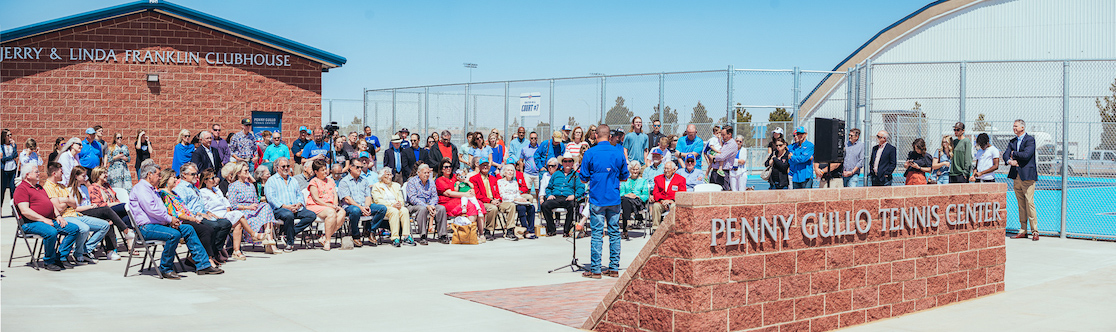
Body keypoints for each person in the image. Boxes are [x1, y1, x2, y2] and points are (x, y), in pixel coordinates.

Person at [129, 160, 222, 279]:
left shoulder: (152, 189)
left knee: (188, 229)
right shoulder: (141, 189)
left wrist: (171, 220)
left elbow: (161, 209)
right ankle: (165, 268)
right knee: (173, 234)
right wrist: (169, 219)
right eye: (158, 175)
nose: (160, 178)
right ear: (149, 175)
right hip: (146, 228)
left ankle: (203, 265)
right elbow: (152, 210)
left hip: (159, 225)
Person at [578, 124, 629, 279]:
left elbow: (583, 177)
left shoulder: (590, 153)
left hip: (597, 199)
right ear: (610, 136)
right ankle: (614, 268)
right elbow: (625, 176)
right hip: (613, 198)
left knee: (597, 234)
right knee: (614, 233)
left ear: (595, 136)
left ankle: (595, 269)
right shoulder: (618, 152)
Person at [14, 165, 83, 271]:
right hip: (30, 223)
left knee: (73, 229)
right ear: (27, 175)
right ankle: (49, 261)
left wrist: (59, 216)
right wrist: (43, 219)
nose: (39, 174)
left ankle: (61, 257)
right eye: (36, 172)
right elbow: (25, 211)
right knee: (51, 232)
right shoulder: (21, 189)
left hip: (49, 219)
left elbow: (50, 204)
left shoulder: (39, 187)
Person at [163, 166, 233, 267]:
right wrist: (197, 215)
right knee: (212, 227)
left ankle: (212, 252)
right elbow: (182, 209)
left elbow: (200, 205)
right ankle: (207, 257)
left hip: (201, 214)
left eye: (196, 174)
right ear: (184, 175)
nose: (196, 176)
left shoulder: (194, 188)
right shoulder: (181, 189)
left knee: (225, 223)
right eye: (193, 174)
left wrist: (208, 212)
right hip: (190, 217)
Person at [43, 162, 110, 264]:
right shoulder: (48, 187)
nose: (63, 174)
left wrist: (63, 200)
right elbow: (59, 208)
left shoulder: (61, 186)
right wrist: (67, 200)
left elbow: (74, 204)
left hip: (76, 214)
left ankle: (85, 250)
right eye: (61, 172)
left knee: (104, 225)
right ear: (54, 173)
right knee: (84, 228)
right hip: (65, 217)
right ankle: (78, 253)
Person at [66, 167, 127, 261]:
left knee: (108, 221)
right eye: (83, 176)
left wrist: (91, 206)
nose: (86, 177)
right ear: (76, 176)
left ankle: (108, 251)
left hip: (89, 211)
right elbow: (75, 208)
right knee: (106, 210)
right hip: (79, 213)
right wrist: (90, 206)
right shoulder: (70, 190)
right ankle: (126, 230)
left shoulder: (84, 188)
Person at [263, 157, 317, 252]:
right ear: (276, 168)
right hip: (279, 209)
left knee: (311, 215)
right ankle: (290, 243)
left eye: (288, 166)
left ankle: (289, 234)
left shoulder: (293, 180)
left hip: (295, 208)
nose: (286, 168)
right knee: (288, 215)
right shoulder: (271, 181)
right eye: (283, 166)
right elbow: (271, 198)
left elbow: (299, 194)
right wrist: (285, 206)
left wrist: (299, 204)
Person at [338, 158, 388, 247]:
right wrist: (361, 208)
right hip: (351, 207)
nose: (360, 169)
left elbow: (368, 196)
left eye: (361, 167)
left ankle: (371, 232)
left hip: (363, 206)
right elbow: (347, 199)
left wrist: (367, 206)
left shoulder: (364, 181)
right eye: (357, 167)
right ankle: (355, 235)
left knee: (382, 208)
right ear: (350, 167)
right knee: (355, 210)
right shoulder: (344, 181)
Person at [1003, 119, 1038, 241]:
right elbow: (1005, 155)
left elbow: (1026, 155)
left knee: (1029, 203)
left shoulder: (1030, 140)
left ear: (1022, 127)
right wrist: (1010, 161)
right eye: (1013, 126)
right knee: (1021, 205)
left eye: (1016, 126)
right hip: (1016, 176)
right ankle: (1023, 230)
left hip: (1027, 176)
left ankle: (1035, 231)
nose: (1014, 128)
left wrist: (1014, 153)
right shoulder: (1012, 141)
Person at [304, 159, 346, 251]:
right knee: (331, 213)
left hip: (329, 206)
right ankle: (327, 241)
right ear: (316, 172)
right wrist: (330, 206)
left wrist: (335, 205)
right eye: (322, 170)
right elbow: (316, 199)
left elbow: (335, 194)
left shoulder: (330, 181)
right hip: (316, 206)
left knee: (342, 212)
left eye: (325, 169)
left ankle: (325, 237)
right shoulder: (313, 182)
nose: (325, 172)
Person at [540, 152, 586, 237]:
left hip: (568, 198)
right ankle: (551, 229)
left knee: (573, 206)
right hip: (556, 197)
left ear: (572, 163)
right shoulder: (556, 174)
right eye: (565, 161)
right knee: (545, 205)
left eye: (569, 161)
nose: (567, 163)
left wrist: (574, 195)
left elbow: (581, 188)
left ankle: (566, 230)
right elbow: (548, 187)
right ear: (562, 163)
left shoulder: (576, 175)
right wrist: (549, 194)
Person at [371, 168, 416, 247]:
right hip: (385, 207)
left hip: (396, 206)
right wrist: (392, 205)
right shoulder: (376, 186)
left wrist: (399, 204)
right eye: (387, 175)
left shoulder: (396, 185)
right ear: (382, 176)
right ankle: (395, 238)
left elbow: (400, 198)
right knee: (394, 211)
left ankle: (406, 236)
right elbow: (378, 200)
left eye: (390, 175)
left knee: (404, 210)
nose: (389, 177)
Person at [405, 164, 448, 244]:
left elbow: (435, 196)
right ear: (418, 173)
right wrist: (427, 206)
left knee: (441, 208)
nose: (427, 175)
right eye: (424, 173)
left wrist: (432, 205)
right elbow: (413, 199)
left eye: (428, 173)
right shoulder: (412, 182)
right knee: (422, 209)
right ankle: (423, 236)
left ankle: (442, 235)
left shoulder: (431, 182)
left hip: (429, 204)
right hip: (414, 205)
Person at [471, 161, 512, 241]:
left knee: (511, 205)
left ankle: (510, 230)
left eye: (486, 165)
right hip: (483, 202)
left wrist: (498, 199)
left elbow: (497, 191)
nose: (485, 167)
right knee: (493, 208)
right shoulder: (474, 179)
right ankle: (488, 230)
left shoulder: (493, 178)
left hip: (495, 201)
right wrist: (490, 201)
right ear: (479, 167)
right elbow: (477, 195)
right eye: (483, 165)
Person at [435, 158, 480, 227]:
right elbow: (448, 193)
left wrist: (470, 190)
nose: (448, 168)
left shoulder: (455, 177)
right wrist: (466, 194)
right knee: (470, 206)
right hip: (448, 203)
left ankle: (481, 232)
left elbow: (465, 183)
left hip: (460, 200)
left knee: (479, 204)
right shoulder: (440, 180)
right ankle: (469, 232)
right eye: (446, 167)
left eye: (450, 166)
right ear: (441, 169)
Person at [497, 164, 535, 239]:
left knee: (531, 207)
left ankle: (531, 230)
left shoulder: (514, 183)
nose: (510, 172)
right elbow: (502, 196)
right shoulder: (500, 182)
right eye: (508, 170)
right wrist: (515, 199)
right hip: (507, 202)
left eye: (512, 170)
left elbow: (517, 194)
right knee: (522, 208)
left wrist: (521, 199)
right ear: (504, 172)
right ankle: (526, 230)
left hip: (516, 201)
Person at [650, 161, 685, 228]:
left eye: (668, 169)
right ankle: (655, 228)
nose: (665, 170)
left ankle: (672, 227)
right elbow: (655, 192)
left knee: (673, 207)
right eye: (664, 168)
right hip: (662, 202)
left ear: (674, 169)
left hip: (673, 202)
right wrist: (662, 201)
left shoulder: (681, 179)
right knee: (656, 206)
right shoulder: (658, 179)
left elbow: (682, 193)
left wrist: (671, 201)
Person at [619, 161, 648, 240]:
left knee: (626, 202)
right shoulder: (625, 180)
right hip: (626, 202)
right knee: (625, 200)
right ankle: (628, 222)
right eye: (633, 169)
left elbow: (646, 195)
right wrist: (627, 195)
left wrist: (637, 196)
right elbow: (621, 193)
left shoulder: (643, 181)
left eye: (637, 169)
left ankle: (625, 230)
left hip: (637, 203)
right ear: (629, 170)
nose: (635, 171)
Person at [2, 129, 17, 210]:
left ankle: (13, 209)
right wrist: (11, 157)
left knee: (12, 189)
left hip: (12, 169)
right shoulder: (1, 146)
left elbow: (16, 155)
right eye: (8, 135)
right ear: (4, 137)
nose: (10, 136)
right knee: (2, 189)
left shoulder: (13, 145)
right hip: (4, 170)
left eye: (11, 134)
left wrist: (14, 146)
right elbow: (3, 159)